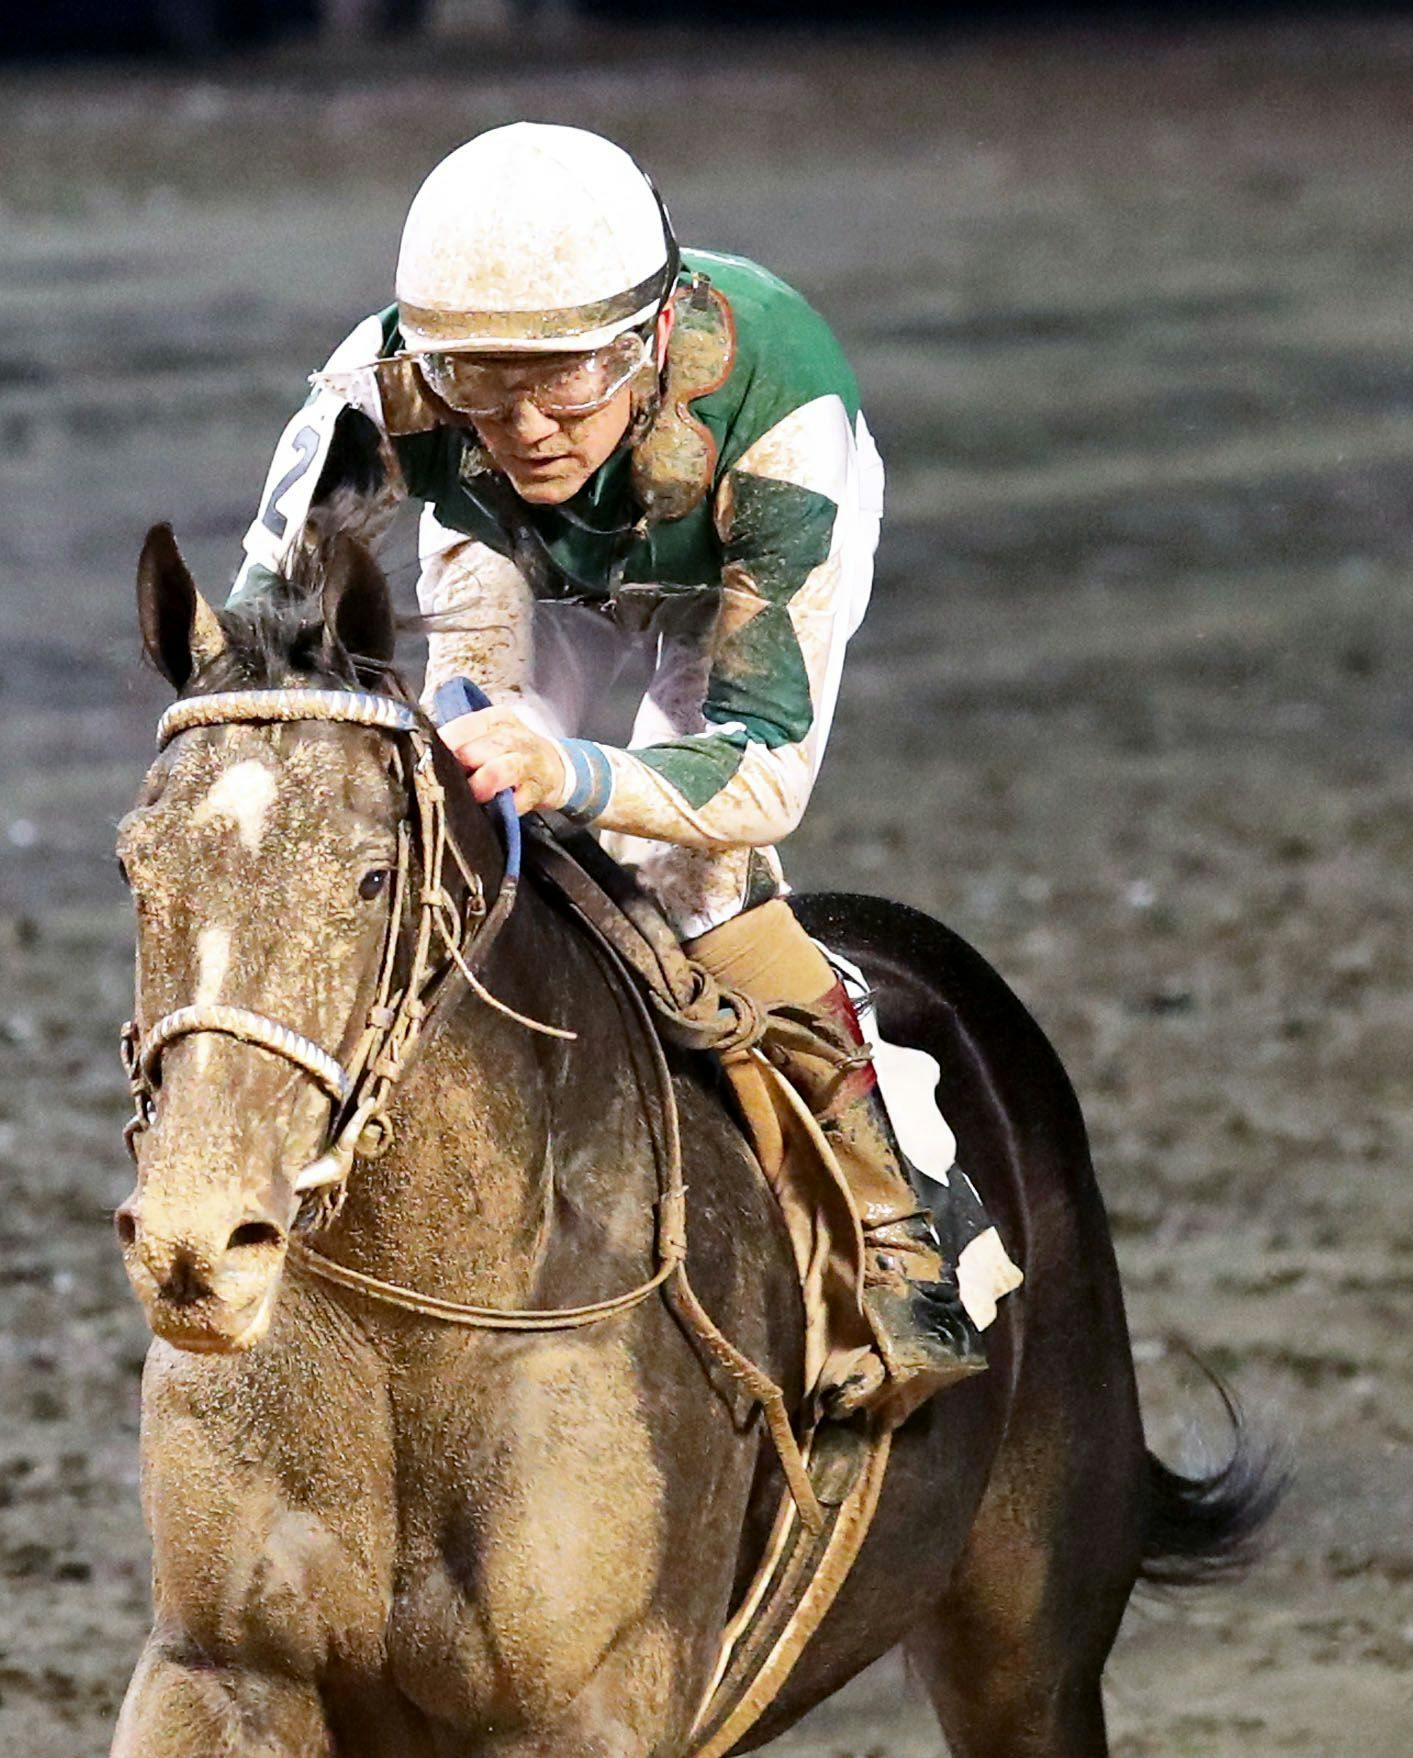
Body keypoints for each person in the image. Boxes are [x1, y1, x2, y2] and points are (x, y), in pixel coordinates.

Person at [237, 120, 1013, 1412]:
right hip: (517, 563)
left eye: (567, 383)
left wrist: (578, 772)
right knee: (447, 818)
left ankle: (894, 1209)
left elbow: (762, 774)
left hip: (720, 579)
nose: (529, 428)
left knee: (675, 863)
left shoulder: (786, 425)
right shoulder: (376, 388)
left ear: (652, 340)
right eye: (480, 388)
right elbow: (263, 628)